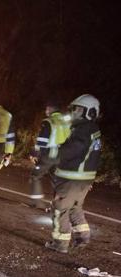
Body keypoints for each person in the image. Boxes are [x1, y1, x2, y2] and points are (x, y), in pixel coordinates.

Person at [46, 94, 102, 253]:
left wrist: (50, 154)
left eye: (78, 109)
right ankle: (82, 238)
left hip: (71, 178)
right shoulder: (92, 130)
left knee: (60, 208)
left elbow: (70, 150)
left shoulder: (83, 129)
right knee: (75, 208)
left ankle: (60, 243)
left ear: (89, 112)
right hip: (84, 178)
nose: (74, 112)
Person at [28, 101, 72, 209]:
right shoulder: (66, 122)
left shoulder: (49, 121)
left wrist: (34, 153)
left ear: (51, 109)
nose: (46, 111)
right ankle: (58, 206)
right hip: (62, 156)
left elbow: (42, 141)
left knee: (35, 176)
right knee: (57, 180)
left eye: (47, 109)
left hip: (49, 155)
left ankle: (37, 202)